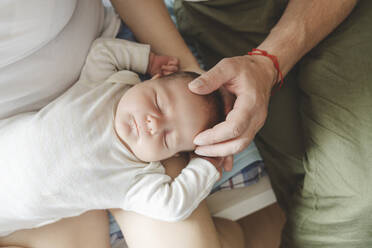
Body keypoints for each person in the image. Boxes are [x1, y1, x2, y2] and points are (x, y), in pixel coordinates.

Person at [0, 1, 244, 248]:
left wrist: (207, 163)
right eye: (157, 104)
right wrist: (147, 61)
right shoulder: (107, 87)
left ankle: (236, 234)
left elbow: (172, 206)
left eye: (168, 137)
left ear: (177, 153)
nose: (154, 124)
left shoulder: (136, 178)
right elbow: (104, 52)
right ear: (150, 81)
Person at [172, 0, 372, 247]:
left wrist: (267, 63)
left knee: (360, 195)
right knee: (318, 181)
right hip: (225, 18)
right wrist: (190, 74)